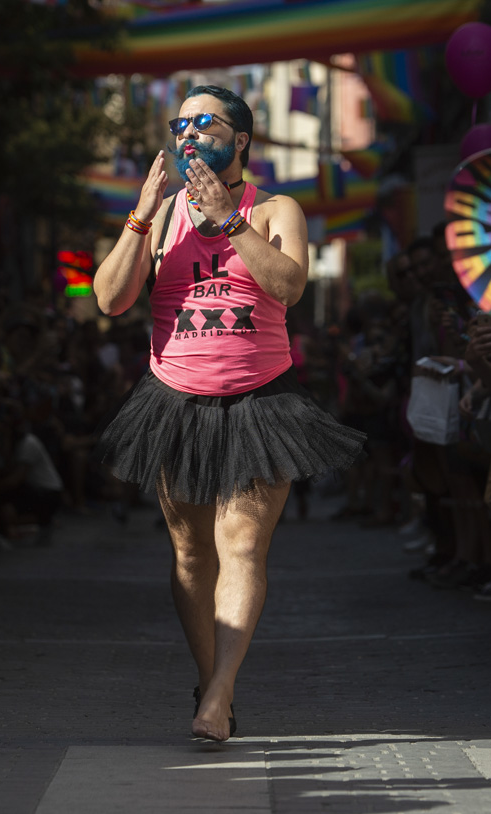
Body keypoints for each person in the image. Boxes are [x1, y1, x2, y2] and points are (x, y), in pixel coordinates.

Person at [92, 85, 364, 742]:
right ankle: (210, 679)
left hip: (260, 399)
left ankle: (219, 694)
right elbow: (110, 300)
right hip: (174, 400)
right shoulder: (162, 216)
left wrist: (232, 222)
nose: (187, 133)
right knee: (191, 554)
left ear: (240, 139)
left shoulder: (274, 208)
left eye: (204, 122)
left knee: (240, 545)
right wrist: (139, 218)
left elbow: (289, 287)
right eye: (179, 124)